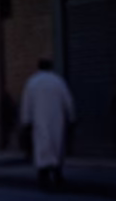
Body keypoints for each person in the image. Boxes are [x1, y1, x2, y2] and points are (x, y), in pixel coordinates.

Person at [20, 59, 75, 191]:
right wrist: (72, 117)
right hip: (57, 119)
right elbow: (68, 100)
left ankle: (43, 176)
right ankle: (57, 174)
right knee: (57, 145)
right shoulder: (58, 81)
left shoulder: (32, 82)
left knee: (42, 146)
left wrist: (26, 120)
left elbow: (26, 103)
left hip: (39, 120)